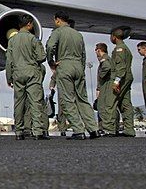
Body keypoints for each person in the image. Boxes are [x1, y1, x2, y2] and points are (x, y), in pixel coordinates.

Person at [46, 11, 98, 140]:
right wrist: (81, 68)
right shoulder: (78, 34)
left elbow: (50, 46)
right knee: (83, 99)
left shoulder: (57, 32)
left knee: (67, 99)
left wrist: (51, 61)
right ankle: (93, 129)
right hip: (78, 67)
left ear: (58, 20)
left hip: (65, 65)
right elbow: (83, 54)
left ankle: (78, 130)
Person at [5, 15, 47, 140]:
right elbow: (41, 57)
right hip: (32, 72)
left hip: (17, 74)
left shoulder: (12, 41)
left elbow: (9, 61)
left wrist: (9, 77)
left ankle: (18, 132)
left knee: (19, 103)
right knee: (35, 101)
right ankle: (38, 132)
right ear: (28, 24)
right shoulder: (33, 39)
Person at [110, 28, 135, 137]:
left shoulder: (119, 49)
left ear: (114, 37)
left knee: (111, 101)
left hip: (121, 77)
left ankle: (110, 129)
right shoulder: (126, 48)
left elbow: (120, 67)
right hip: (127, 77)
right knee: (125, 103)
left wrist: (116, 81)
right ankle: (129, 129)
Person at [94, 43, 118, 136]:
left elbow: (106, 67)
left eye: (96, 51)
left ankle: (109, 129)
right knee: (109, 106)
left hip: (107, 83)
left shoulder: (104, 58)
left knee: (105, 106)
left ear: (99, 50)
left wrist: (101, 76)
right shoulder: (108, 58)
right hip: (108, 83)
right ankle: (111, 128)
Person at [48, 70, 67, 136]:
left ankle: (78, 128)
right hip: (62, 88)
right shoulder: (60, 66)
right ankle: (62, 129)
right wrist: (52, 85)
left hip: (71, 88)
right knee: (62, 109)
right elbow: (54, 76)